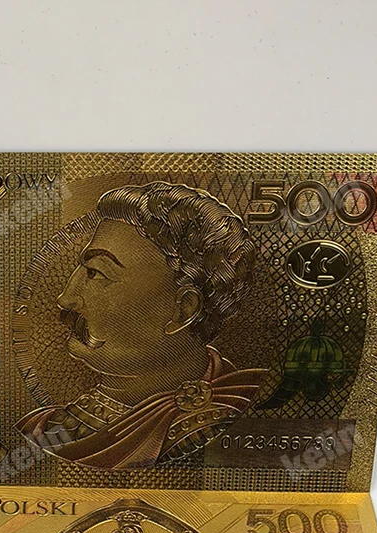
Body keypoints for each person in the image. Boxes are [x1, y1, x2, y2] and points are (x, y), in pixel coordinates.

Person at [17, 182, 267, 468]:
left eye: (96, 273)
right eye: (83, 269)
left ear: (183, 310)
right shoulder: (41, 427)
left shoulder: (225, 415)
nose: (65, 299)